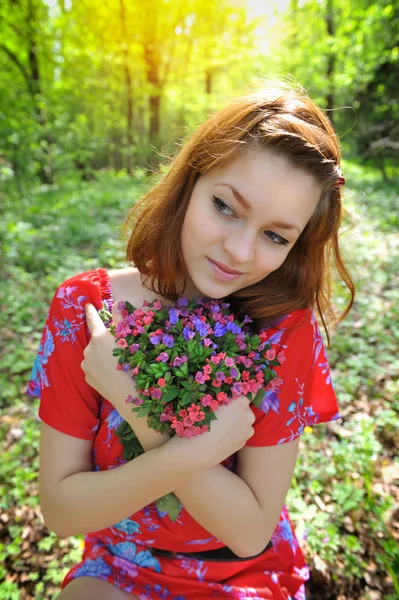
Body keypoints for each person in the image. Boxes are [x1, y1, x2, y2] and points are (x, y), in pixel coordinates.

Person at [27, 83, 354, 600]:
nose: (240, 251)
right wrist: (195, 449)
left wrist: (138, 404)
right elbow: (63, 512)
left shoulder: (284, 331)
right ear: (190, 181)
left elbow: (248, 532)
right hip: (120, 564)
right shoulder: (85, 311)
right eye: (226, 206)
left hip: (247, 575)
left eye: (275, 235)